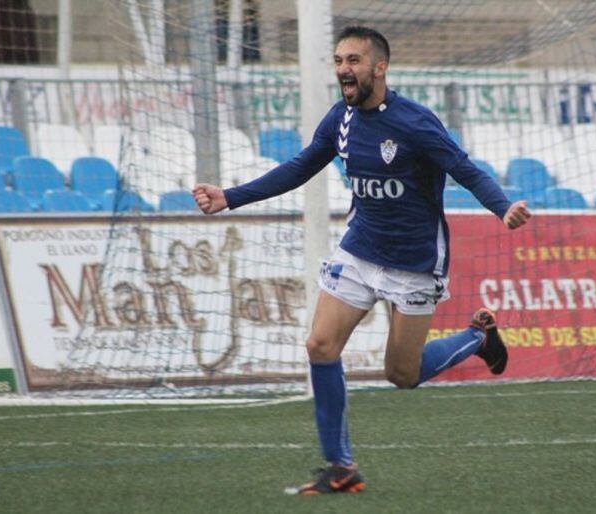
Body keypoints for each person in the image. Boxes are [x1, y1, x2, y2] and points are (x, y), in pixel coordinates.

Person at [193, 25, 532, 496]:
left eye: (353, 60)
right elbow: (301, 166)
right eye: (338, 61)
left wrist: (501, 206)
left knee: (402, 375)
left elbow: (464, 169)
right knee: (320, 346)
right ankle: (341, 466)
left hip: (414, 262)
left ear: (380, 67)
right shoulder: (342, 119)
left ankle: (478, 338)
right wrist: (230, 196)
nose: (343, 70)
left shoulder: (415, 122)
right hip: (360, 250)